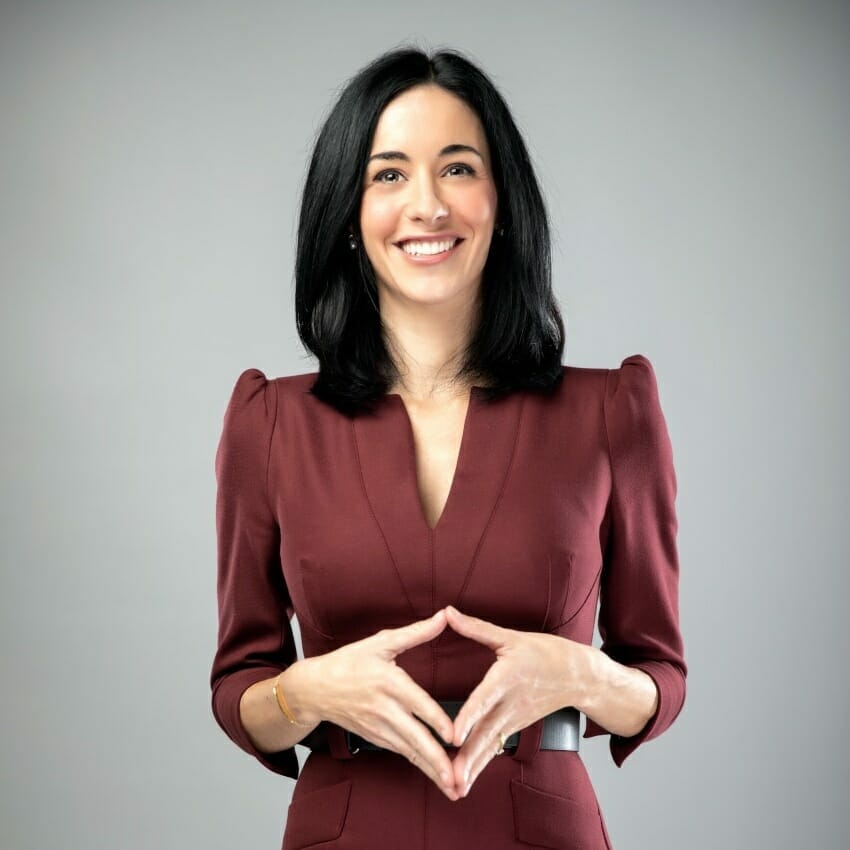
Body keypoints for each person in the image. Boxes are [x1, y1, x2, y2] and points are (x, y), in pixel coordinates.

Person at [210, 45, 686, 850]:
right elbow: (238, 687)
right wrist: (306, 692)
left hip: (542, 829)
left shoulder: (611, 411)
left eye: (458, 169)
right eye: (388, 175)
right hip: (345, 829)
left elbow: (659, 677)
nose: (426, 204)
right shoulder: (271, 424)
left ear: (501, 203)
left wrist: (583, 677)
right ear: (349, 215)